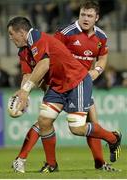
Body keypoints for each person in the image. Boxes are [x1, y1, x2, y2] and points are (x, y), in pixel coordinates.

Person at [11, 1, 120, 173]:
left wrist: (97, 71)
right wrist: (28, 90)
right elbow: (49, 57)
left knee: (81, 126)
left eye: (89, 15)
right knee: (44, 121)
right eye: (83, 14)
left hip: (79, 81)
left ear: (96, 18)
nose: (85, 18)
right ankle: (49, 164)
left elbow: (103, 57)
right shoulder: (65, 33)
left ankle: (108, 148)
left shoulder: (101, 36)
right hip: (60, 82)